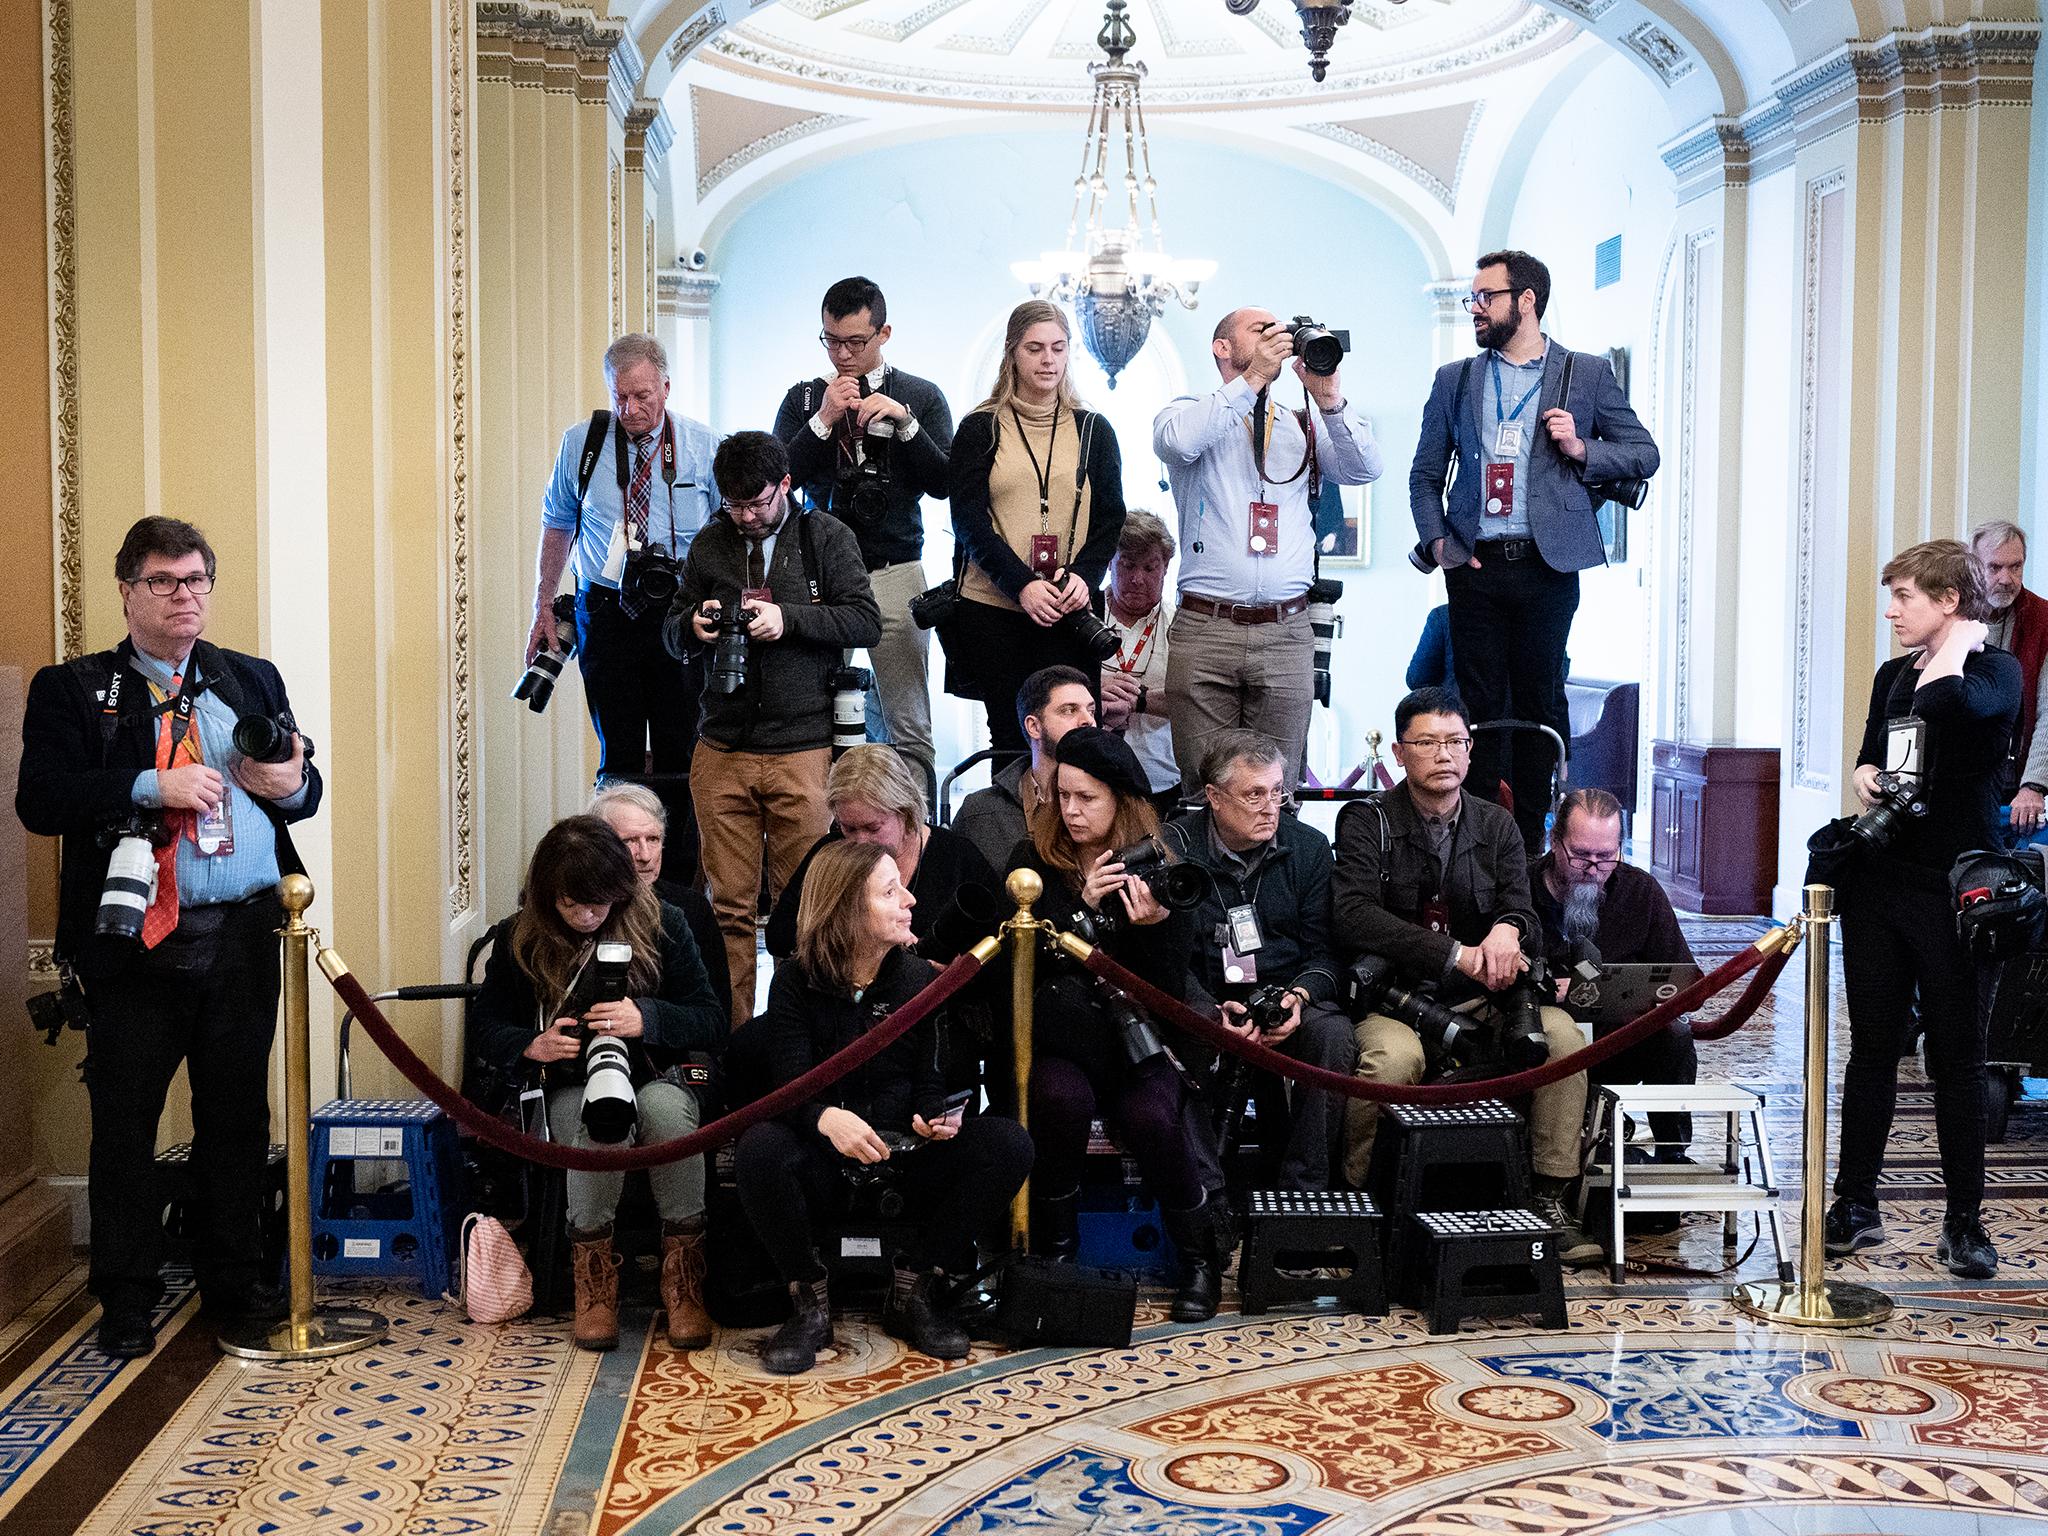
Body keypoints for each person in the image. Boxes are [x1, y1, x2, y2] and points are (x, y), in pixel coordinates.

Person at [15, 517, 321, 1358]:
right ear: (125, 591)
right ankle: (125, 1294)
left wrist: (291, 782)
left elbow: (305, 789)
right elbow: (40, 799)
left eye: (196, 581)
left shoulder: (248, 676)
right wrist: (156, 782)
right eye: (163, 582)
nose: (184, 596)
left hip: (247, 932)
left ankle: (236, 1279)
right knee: (125, 1123)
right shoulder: (75, 688)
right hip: (137, 942)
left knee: (236, 1116)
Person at [735, 841, 1032, 1375]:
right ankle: (809, 1301)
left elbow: (930, 1079)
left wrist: (937, 1116)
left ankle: (915, 1287)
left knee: (1009, 1143)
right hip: (824, 1158)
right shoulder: (796, 980)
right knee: (759, 1148)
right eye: (890, 891)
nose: (911, 900)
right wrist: (825, 1118)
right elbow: (786, 1086)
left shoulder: (917, 978)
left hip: (902, 1153)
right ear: (849, 907)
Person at [1331, 687, 1597, 1265]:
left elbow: (1523, 908)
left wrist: (1508, 929)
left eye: (1455, 741)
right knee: (1391, 1062)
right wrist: (1453, 953)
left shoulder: (1497, 824)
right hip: (1394, 999)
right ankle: (1359, 1200)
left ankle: (1549, 1196)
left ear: (1471, 750)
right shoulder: (1366, 821)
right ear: (1400, 754)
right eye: (1427, 743)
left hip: (1488, 997)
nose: (1444, 754)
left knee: (1564, 1042)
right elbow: (1353, 914)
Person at [1410, 250, 1660, 855]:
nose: (1476, 306)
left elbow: (1643, 454)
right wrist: (1440, 541)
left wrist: (1580, 447)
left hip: (1549, 567)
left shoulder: (1586, 374)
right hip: (1474, 566)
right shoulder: (1457, 378)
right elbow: (1424, 475)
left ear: (1526, 300)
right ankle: (1475, 839)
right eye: (1474, 297)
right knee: (1478, 706)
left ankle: (1529, 843)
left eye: (1487, 296)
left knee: (1541, 698)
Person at [1827, 541, 2018, 1279]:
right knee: (1871, 1049)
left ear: (1948, 600)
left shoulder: (1995, 670)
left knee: (1958, 1062)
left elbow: (1948, 703)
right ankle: (1855, 1202)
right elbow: (1873, 749)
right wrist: (1865, 774)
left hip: (1957, 893)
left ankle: (1964, 1220)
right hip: (1882, 886)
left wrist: (1965, 642)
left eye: (1905, 596)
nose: (1891, 610)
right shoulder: (1892, 673)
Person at [467, 817, 725, 1351]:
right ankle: (594, 1284)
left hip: (657, 1073)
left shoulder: (664, 923)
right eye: (572, 905)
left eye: (600, 904)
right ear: (547, 896)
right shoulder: (518, 936)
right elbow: (485, 1025)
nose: (586, 916)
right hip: (566, 1082)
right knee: (597, 1124)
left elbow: (711, 1018)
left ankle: (684, 1281)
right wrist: (531, 1043)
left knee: (666, 1118)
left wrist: (646, 1018)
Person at [1007, 726, 1229, 1322]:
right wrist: (1084, 906)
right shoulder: (1033, 862)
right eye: (1064, 795)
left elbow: (1168, 990)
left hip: (1136, 1038)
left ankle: (1200, 1256)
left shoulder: (1160, 866)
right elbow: (1023, 972)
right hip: (1066, 1039)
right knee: (1057, 1099)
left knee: (1151, 1114)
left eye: (1088, 798)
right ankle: (1055, 1252)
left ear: (1122, 802)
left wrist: (1156, 926)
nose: (1072, 811)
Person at [663, 430, 882, 1026]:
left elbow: (866, 622)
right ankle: (733, 1046)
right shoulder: (711, 542)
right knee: (727, 909)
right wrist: (696, 627)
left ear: (786, 484)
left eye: (758, 503)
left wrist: (789, 620)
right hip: (722, 746)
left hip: (803, 746)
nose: (748, 517)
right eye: (735, 506)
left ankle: (793, 1046)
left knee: (799, 908)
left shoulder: (825, 537)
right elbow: (671, 629)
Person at [1153, 306, 1383, 790]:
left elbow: (1364, 468)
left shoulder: (1301, 421)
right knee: (1203, 786)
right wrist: (1254, 377)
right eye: (1260, 331)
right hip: (1205, 628)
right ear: (1222, 348)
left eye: (1279, 331)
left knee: (1277, 791)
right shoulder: (1187, 410)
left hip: (1286, 630)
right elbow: (1178, 444)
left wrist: (1330, 400)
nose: (1274, 337)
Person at [773, 277, 954, 781]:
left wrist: (906, 424)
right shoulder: (806, 398)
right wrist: (823, 421)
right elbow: (777, 482)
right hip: (820, 576)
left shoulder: (919, 395)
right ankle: (827, 836)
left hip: (895, 570)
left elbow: (945, 483)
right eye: (831, 340)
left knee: (908, 724)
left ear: (884, 333)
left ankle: (916, 840)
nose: (843, 354)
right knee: (814, 716)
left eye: (856, 342)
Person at [1161, 731, 1354, 1190]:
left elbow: (1327, 952)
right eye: (1254, 794)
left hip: (1285, 994)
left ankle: (1304, 1192)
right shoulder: (1173, 847)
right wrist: (1209, 1010)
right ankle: (1207, 1199)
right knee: (1185, 1035)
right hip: (1205, 996)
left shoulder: (1306, 847)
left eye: (1277, 792)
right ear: (1213, 797)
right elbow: (1164, 957)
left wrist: (1299, 998)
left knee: (1333, 1035)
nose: (1271, 808)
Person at [531, 333, 718, 785]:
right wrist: (542, 602)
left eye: (642, 396)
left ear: (666, 388)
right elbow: (557, 522)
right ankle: (619, 853)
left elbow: (728, 532)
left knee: (682, 753)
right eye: (620, 397)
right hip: (605, 612)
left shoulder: (704, 445)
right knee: (618, 754)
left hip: (679, 613)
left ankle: (672, 856)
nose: (630, 409)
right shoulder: (582, 443)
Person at [948, 300, 1127, 754]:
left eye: (1058, 348)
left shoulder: (1093, 430)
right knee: (1011, 740)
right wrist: (1022, 585)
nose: (1048, 359)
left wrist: (1085, 577)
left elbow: (1110, 517)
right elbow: (968, 521)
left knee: (1078, 738)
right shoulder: (981, 427)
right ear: (1012, 354)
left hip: (1070, 608)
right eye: (1034, 348)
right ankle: (1011, 826)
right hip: (995, 609)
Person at [1529, 787, 1698, 1160]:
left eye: (1605, 857)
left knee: (1674, 1034)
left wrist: (1601, 990)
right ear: (1555, 842)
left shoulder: (1641, 892)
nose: (1593, 869)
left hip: (1616, 1045)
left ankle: (1672, 1152)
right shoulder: (1520, 891)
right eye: (1580, 856)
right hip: (1539, 1050)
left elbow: (1684, 981)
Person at [766, 744, 998, 963]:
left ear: (906, 814)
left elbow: (998, 945)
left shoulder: (957, 858)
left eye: (873, 828)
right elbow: (780, 937)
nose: (860, 841)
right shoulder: (831, 851)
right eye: (849, 828)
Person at [589, 781, 732, 1022]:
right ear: (597, 846)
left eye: (653, 839)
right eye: (629, 841)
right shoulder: (577, 907)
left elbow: (716, 1017)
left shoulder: (691, 910)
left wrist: (646, 1018)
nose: (645, 856)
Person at [951, 665, 1097, 873]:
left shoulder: (1115, 802)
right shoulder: (980, 812)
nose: (1088, 721)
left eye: (1091, 710)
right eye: (1069, 710)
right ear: (1034, 727)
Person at [1967, 520, 2048, 841]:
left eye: (2016, 567)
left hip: (2016, 785)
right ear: (1973, 567)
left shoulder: (2042, 620)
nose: (2006, 579)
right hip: (1960, 781)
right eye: (1995, 567)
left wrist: (2034, 785)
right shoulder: (1951, 614)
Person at [1100, 510, 1181, 814]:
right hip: (1092, 777)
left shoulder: (1180, 624)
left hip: (1162, 780)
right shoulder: (1083, 616)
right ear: (1109, 562)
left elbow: (1196, 701)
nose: (1137, 579)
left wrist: (1138, 701)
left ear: (1166, 567)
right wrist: (1095, 694)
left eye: (1149, 567)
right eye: (1127, 565)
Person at [1406, 602, 1460, 710]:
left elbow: (1417, 679)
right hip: (1501, 721)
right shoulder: (1502, 614)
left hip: (1456, 717)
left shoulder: (1444, 615)